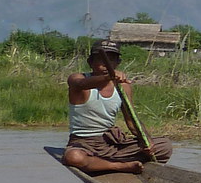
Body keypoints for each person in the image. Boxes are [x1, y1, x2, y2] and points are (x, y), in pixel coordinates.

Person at [63, 40, 173, 174]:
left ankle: (104, 163)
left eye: (111, 60)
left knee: (164, 146)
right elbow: (80, 84)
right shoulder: (78, 79)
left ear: (117, 63)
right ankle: (119, 166)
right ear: (90, 62)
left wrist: (147, 140)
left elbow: (132, 121)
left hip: (110, 142)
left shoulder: (123, 86)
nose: (106, 64)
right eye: (101, 60)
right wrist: (108, 77)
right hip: (84, 144)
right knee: (73, 157)